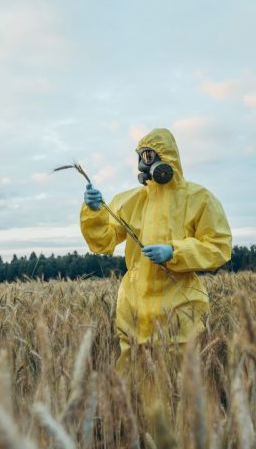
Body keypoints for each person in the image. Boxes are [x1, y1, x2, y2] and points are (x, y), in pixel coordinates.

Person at [80, 128, 232, 367]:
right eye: (142, 157)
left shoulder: (199, 198)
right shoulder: (129, 201)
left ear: (168, 158)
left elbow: (219, 246)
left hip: (180, 308)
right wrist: (95, 212)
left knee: (179, 378)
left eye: (150, 157)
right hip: (134, 307)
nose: (144, 164)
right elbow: (103, 241)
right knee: (134, 375)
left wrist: (175, 252)